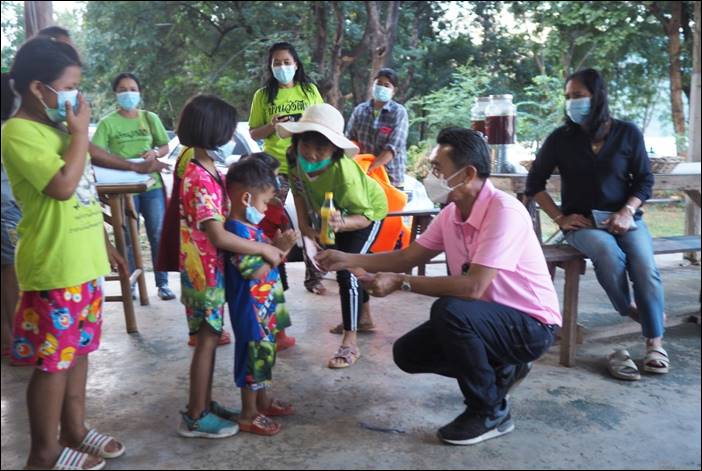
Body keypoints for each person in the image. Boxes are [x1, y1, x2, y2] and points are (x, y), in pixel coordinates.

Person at [317, 127, 561, 445]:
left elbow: (473, 287)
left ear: (468, 173)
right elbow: (407, 257)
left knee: (450, 311)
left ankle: (489, 412)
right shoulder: (452, 214)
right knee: (409, 354)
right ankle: (501, 368)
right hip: (488, 319)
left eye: (437, 169)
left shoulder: (504, 212)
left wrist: (402, 283)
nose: (431, 176)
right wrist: (347, 260)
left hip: (531, 324)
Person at [1, 37, 128, 469]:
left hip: (84, 262)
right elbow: (61, 187)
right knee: (53, 362)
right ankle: (44, 452)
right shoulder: (18, 131)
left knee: (78, 352)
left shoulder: (57, 129)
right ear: (39, 89)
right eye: (69, 86)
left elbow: (85, 196)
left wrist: (106, 244)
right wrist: (78, 133)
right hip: (54, 267)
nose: (77, 97)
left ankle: (74, 429)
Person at [525, 68, 668, 380]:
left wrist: (628, 210)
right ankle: (632, 310)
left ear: (597, 96)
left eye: (578, 96)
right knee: (606, 252)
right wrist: (560, 217)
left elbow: (645, 179)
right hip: (583, 225)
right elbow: (534, 182)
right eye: (568, 97)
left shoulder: (628, 133)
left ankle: (655, 343)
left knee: (644, 266)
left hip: (625, 218)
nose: (571, 103)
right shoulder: (561, 138)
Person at [174, 94, 286, 438]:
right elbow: (219, 236)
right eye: (225, 131)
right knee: (207, 340)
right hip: (202, 274)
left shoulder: (209, 170)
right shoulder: (199, 177)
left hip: (210, 272)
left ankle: (204, 404)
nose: (229, 138)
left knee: (209, 338)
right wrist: (265, 249)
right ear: (212, 131)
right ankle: (196, 414)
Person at [277, 103, 388, 369]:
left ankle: (350, 341)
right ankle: (363, 318)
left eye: (321, 148)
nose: (312, 155)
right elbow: (300, 195)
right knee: (353, 267)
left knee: (346, 269)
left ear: (335, 150)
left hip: (367, 213)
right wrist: (307, 231)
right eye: (307, 145)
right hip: (333, 218)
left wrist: (342, 223)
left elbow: (364, 215)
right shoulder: (294, 159)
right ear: (297, 140)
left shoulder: (344, 173)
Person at [223, 157, 297, 436]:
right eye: (265, 202)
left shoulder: (248, 229)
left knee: (264, 357)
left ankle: (262, 402)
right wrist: (279, 247)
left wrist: (278, 248)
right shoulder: (235, 231)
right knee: (253, 361)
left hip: (264, 310)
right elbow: (254, 272)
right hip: (251, 313)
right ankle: (248, 413)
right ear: (246, 197)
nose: (267, 209)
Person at [249, 41, 328, 295]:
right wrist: (271, 125)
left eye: (286, 62)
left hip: (307, 166)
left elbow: (322, 124)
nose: (282, 67)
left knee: (313, 221)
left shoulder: (309, 90)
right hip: (276, 168)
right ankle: (270, 275)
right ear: (270, 67)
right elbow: (253, 132)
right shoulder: (263, 96)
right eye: (276, 63)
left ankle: (314, 277)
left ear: (296, 64)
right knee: (270, 221)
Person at [92, 72, 175, 300]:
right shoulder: (107, 123)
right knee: (127, 236)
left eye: (132, 89)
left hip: (152, 186)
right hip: (123, 188)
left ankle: (163, 283)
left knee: (157, 234)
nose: (128, 93)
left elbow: (164, 146)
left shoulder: (150, 118)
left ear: (139, 93)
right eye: (122, 90)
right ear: (115, 94)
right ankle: (130, 284)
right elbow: (96, 152)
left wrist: (155, 153)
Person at [241, 152, 296, 351]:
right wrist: (277, 247)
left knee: (277, 295)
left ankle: (279, 335)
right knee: (266, 301)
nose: (276, 184)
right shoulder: (248, 214)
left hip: (275, 260)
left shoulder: (273, 204)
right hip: (265, 262)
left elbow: (283, 223)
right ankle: (274, 336)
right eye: (272, 178)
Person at [346, 68, 409, 190]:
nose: (381, 87)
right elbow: (349, 141)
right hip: (361, 176)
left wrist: (369, 169)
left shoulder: (399, 113)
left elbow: (393, 148)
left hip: (390, 179)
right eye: (378, 83)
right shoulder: (360, 111)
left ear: (394, 91)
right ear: (372, 85)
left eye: (386, 85)